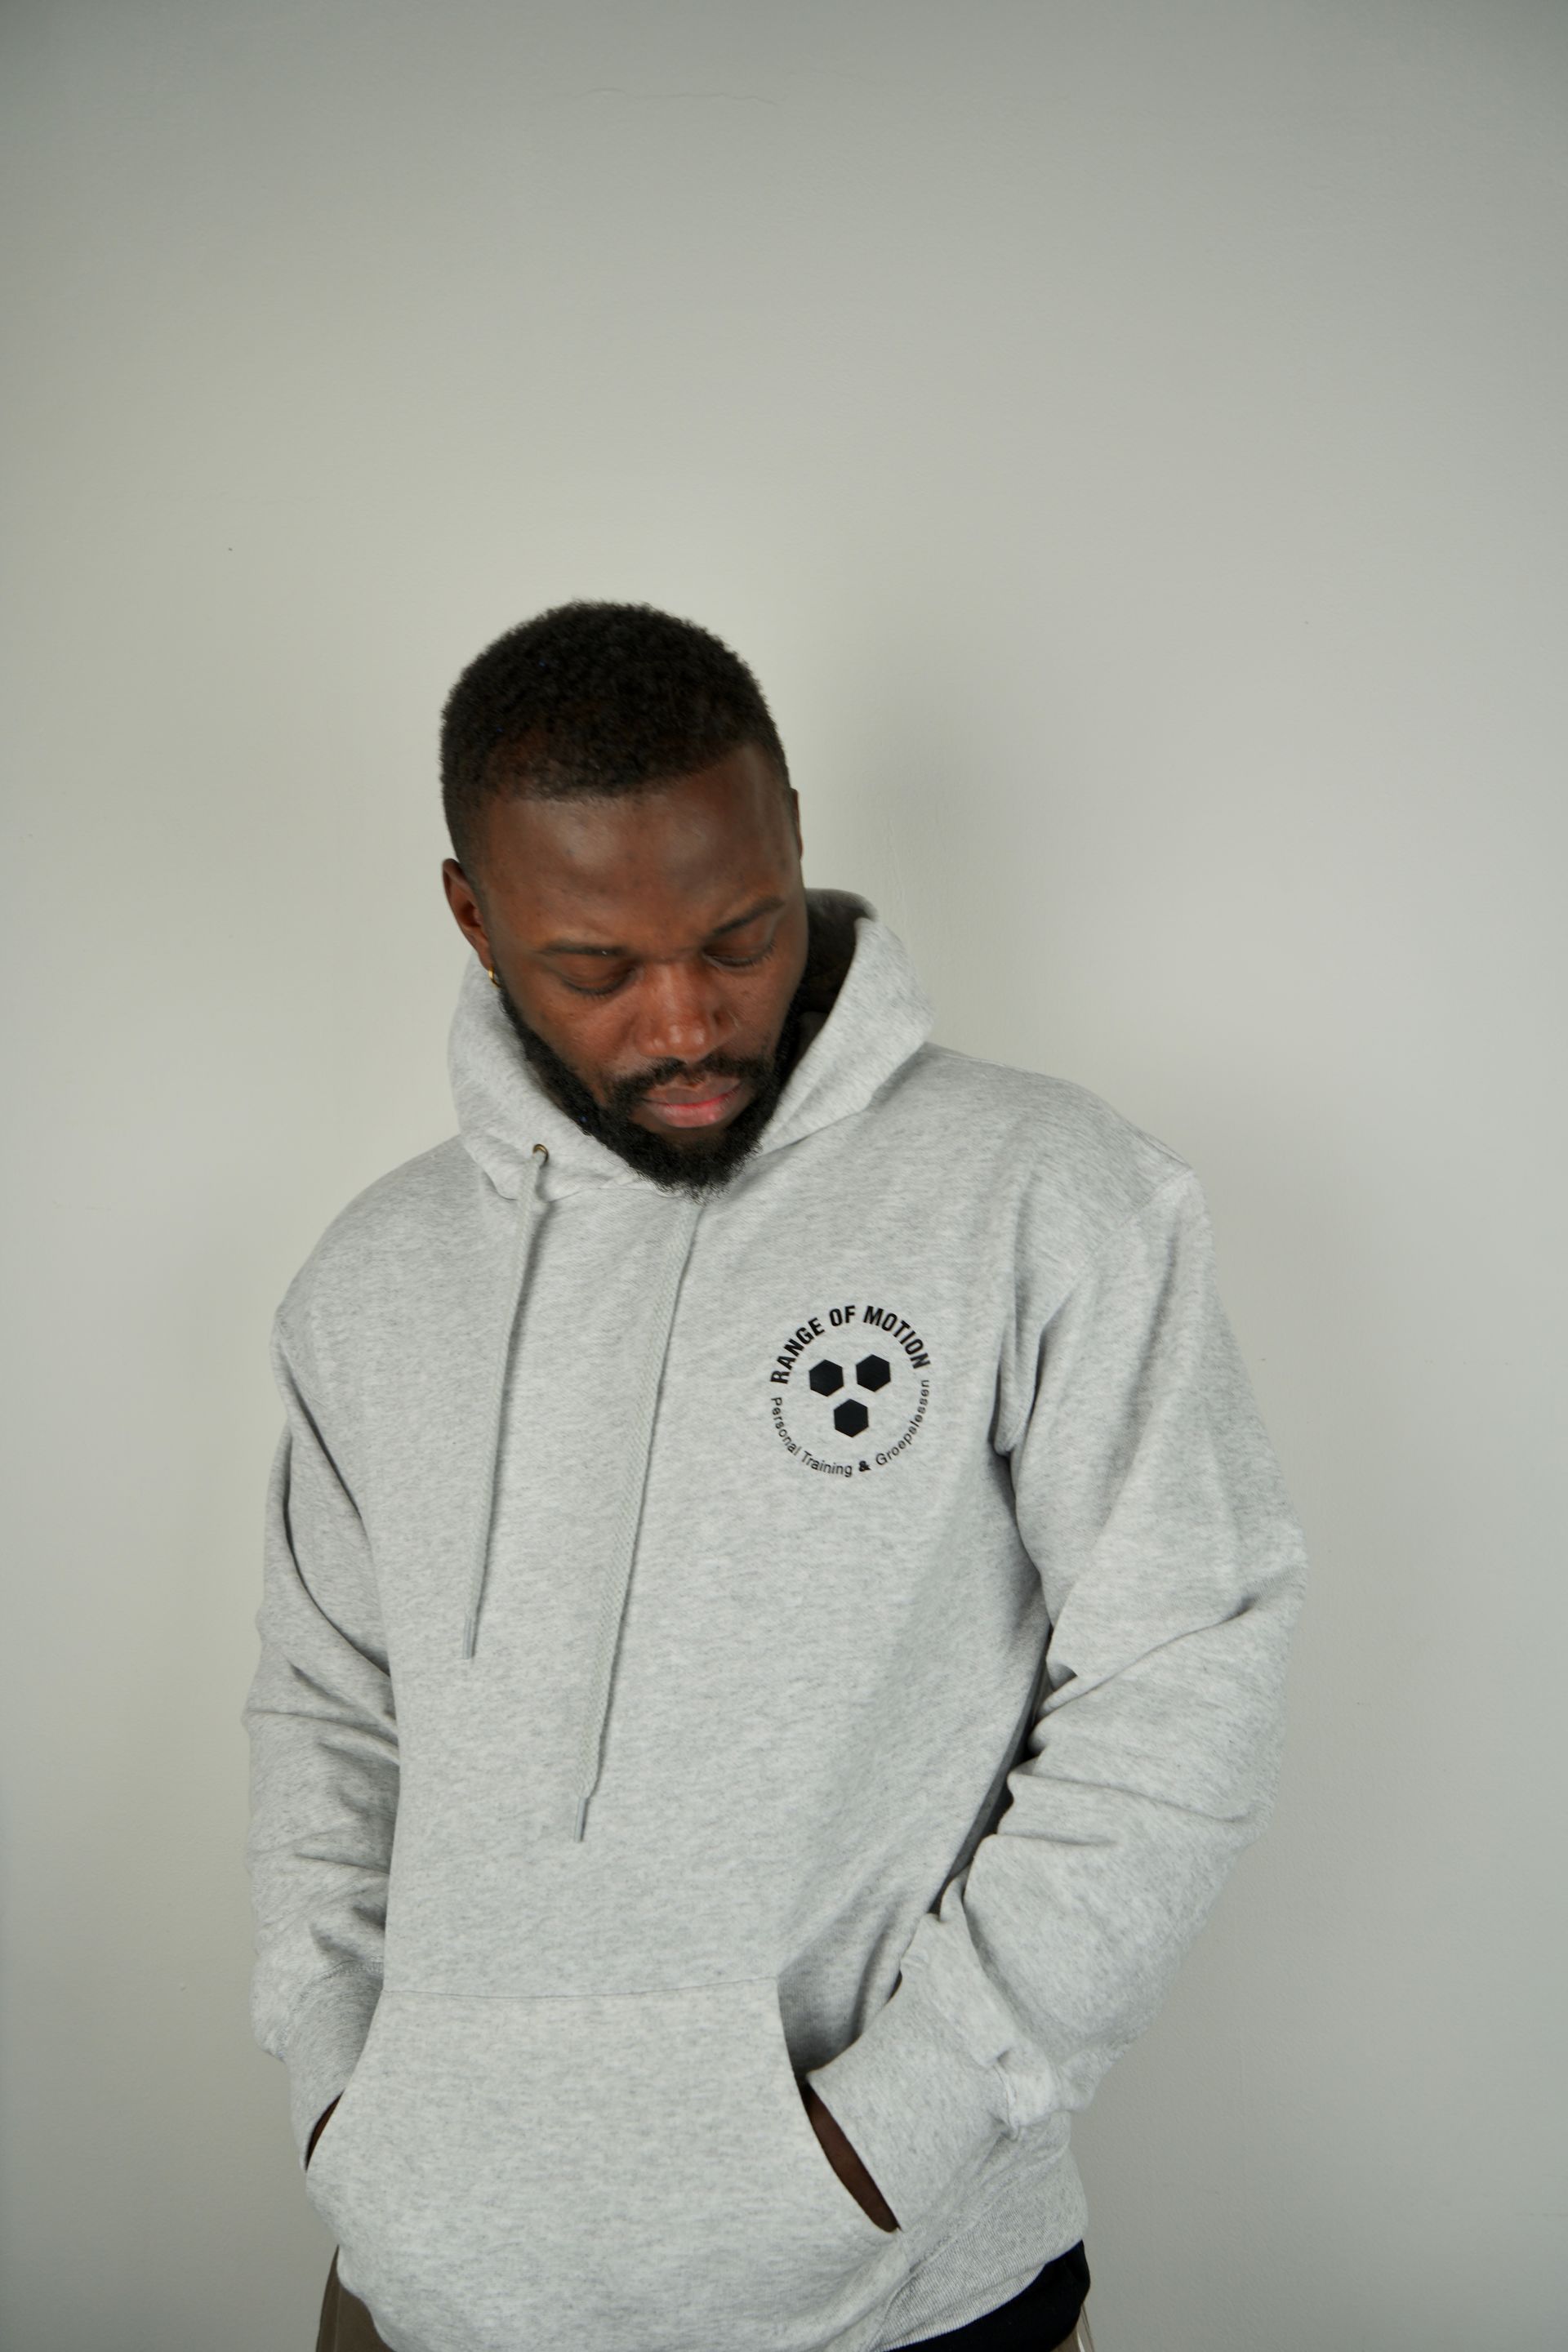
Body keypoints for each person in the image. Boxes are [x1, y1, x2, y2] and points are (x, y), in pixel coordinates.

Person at [244, 600, 1307, 2352]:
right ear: (474, 918)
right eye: (597, 969)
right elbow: (326, 1718)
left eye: (737, 936)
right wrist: (347, 2105)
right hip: (428, 2282)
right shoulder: (373, 1284)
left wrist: (898, 2130)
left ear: (794, 836)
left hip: (902, 2289)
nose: (685, 1020)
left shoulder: (1046, 1195)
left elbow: (1184, 1675)